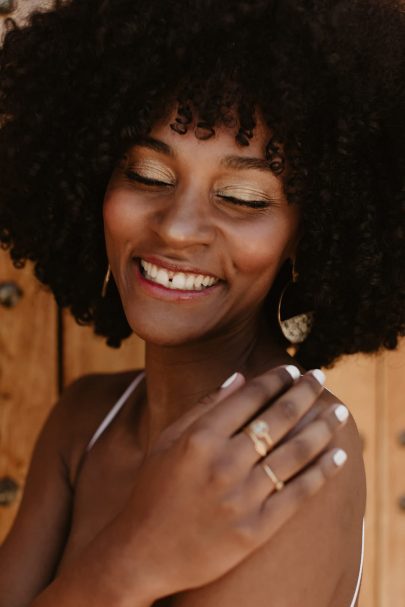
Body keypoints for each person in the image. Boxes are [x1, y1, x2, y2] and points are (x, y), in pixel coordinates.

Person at [0, 0, 403, 605]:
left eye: (242, 196)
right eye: (148, 175)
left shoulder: (294, 461)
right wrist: (132, 560)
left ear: (310, 235)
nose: (179, 228)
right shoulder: (82, 424)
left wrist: (124, 568)